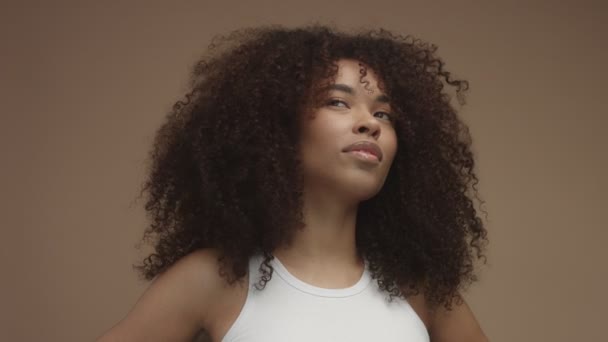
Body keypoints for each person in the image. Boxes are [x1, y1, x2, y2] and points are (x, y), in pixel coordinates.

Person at [97, 24, 489, 342]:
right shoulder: (214, 279)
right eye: (338, 101)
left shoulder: (419, 288)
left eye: (384, 114)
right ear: (277, 130)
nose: (370, 123)